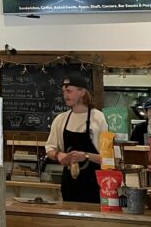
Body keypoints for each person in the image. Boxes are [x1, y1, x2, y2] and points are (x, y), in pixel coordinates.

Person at [44, 74, 109, 203]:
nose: (65, 95)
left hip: (93, 184)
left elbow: (108, 159)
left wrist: (85, 156)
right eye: (63, 92)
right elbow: (49, 148)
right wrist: (58, 155)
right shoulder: (61, 119)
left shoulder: (98, 118)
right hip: (69, 184)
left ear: (82, 92)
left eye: (69, 91)